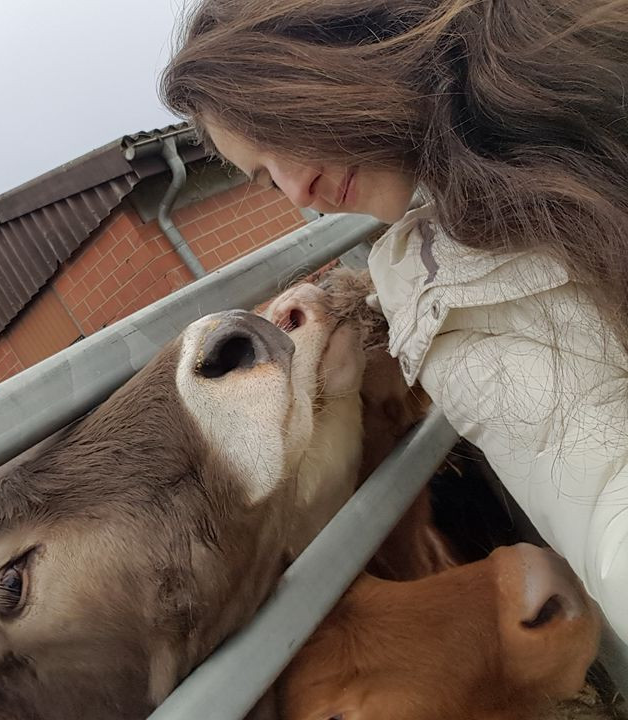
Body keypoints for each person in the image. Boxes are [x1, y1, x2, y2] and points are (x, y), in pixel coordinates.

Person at [161, 0, 628, 642]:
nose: (296, 194)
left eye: (273, 123)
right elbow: (604, 498)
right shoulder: (441, 293)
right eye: (266, 181)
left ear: (337, 36)